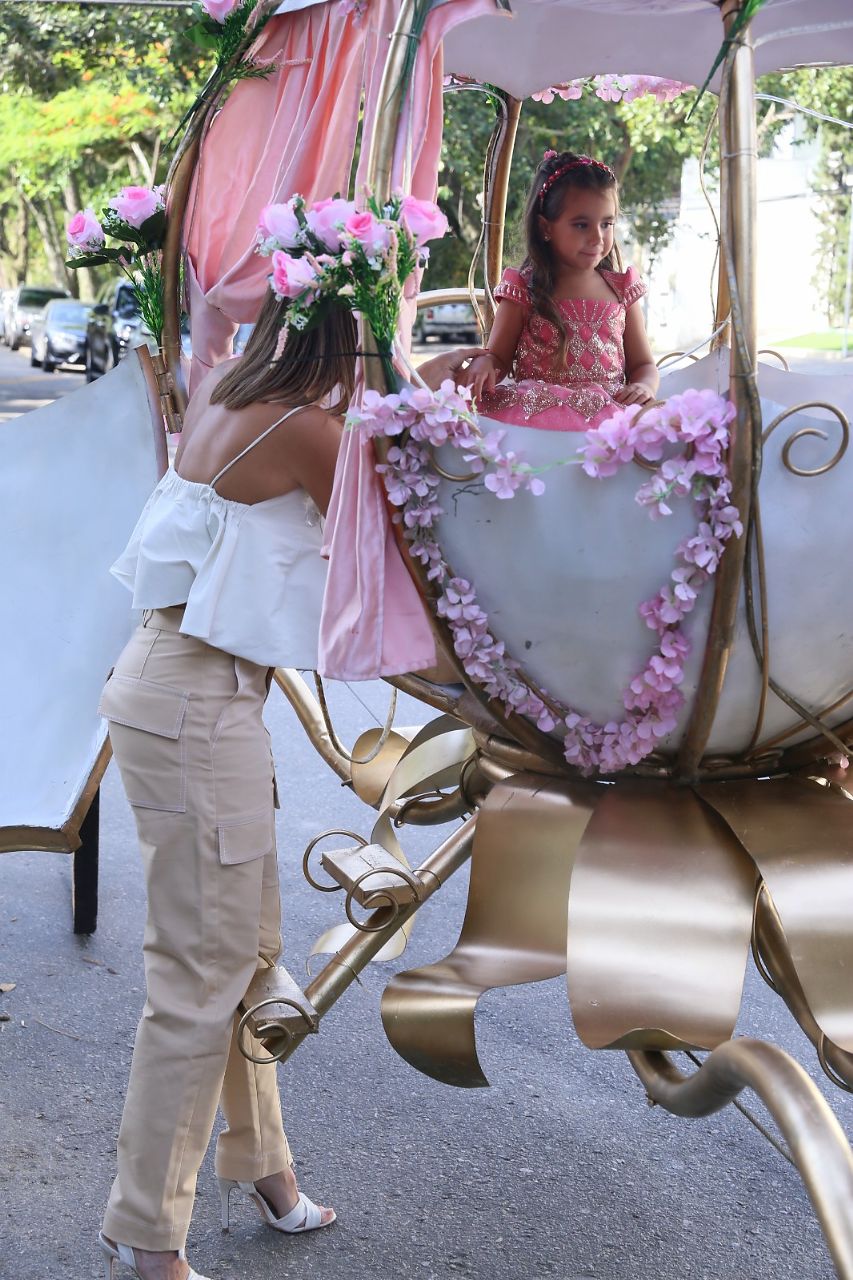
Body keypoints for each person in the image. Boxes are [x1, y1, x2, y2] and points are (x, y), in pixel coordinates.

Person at [97, 288, 475, 1280]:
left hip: (177, 688)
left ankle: (264, 1166)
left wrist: (420, 383)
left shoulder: (230, 383)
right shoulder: (308, 427)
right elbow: (391, 542)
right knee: (200, 975)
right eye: (371, 333)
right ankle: (146, 1231)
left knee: (248, 948)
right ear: (342, 336)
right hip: (195, 703)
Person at [463, 150, 659, 430]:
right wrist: (485, 364)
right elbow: (498, 358)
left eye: (607, 224)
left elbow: (644, 365)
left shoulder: (621, 291)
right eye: (581, 225)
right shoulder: (524, 290)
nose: (597, 237)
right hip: (537, 421)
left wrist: (644, 386)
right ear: (545, 227)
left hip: (607, 424)